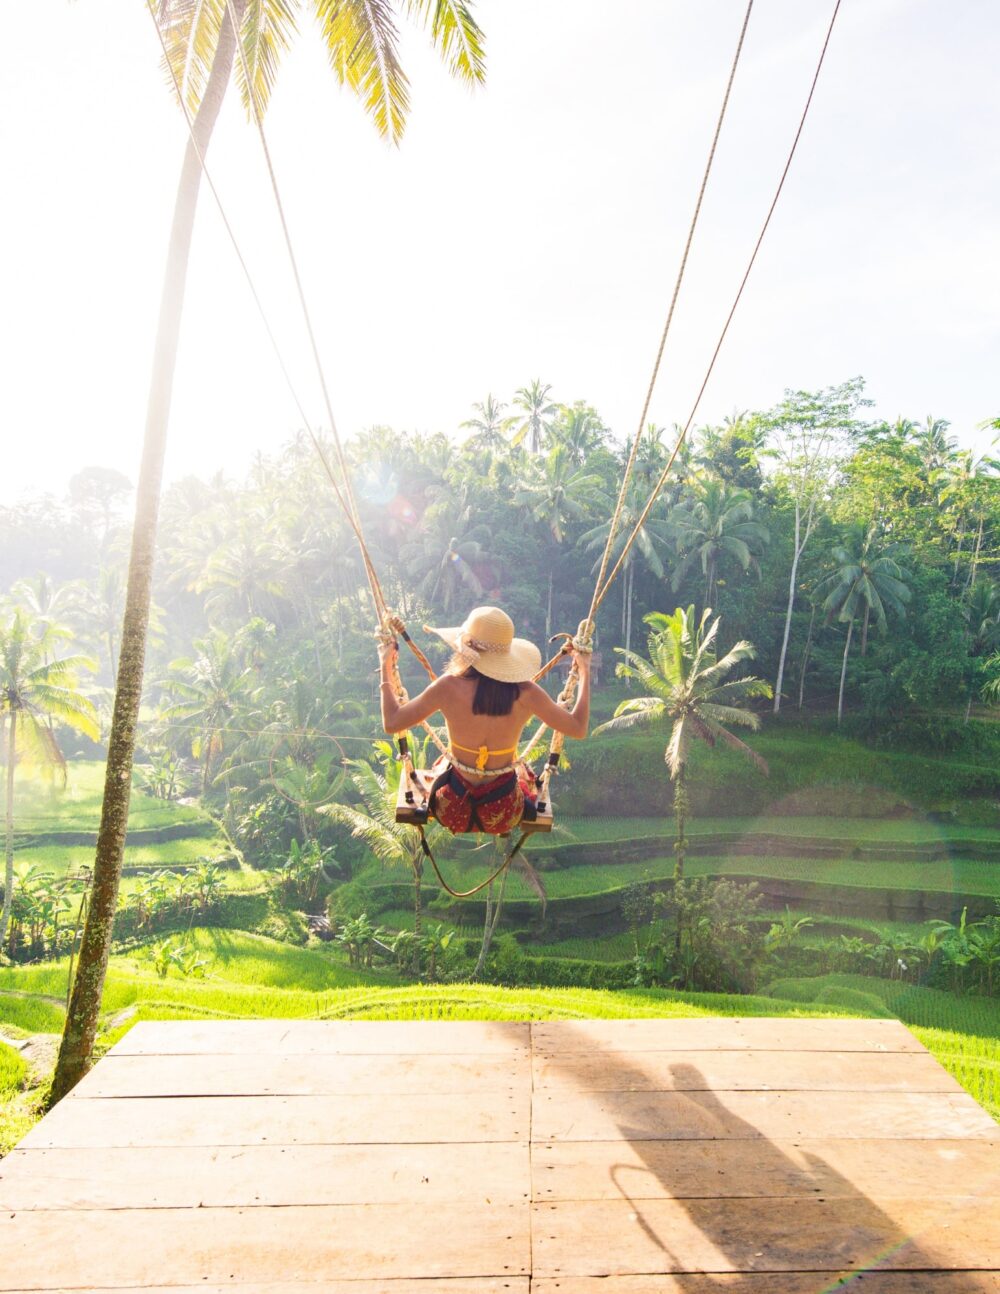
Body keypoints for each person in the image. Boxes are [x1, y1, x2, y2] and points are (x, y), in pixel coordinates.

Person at [377, 605, 591, 834]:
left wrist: (385, 664)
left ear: (465, 650)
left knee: (442, 766)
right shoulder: (527, 693)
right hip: (504, 812)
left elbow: (392, 722)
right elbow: (578, 728)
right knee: (522, 772)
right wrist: (585, 671)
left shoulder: (447, 687)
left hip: (451, 808)